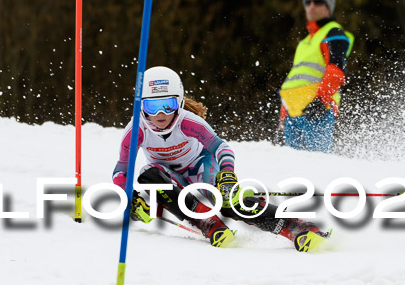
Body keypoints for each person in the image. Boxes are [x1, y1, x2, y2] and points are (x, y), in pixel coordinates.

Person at [112, 66, 331, 252]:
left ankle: (298, 227)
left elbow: (221, 147)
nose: (160, 114)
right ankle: (209, 223)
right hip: (167, 176)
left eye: (167, 105)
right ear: (141, 106)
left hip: (200, 165)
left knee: (228, 201)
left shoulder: (188, 122)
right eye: (152, 106)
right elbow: (121, 170)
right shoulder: (136, 130)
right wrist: (128, 197)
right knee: (148, 175)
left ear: (178, 102)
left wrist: (227, 174)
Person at [278, 0, 354, 153]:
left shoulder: (333, 33)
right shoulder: (305, 41)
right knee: (292, 170)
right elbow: (295, 78)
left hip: (316, 110)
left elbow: (336, 70)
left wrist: (321, 100)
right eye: (308, 2)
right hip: (294, 113)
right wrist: (285, 111)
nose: (311, 6)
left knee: (317, 166)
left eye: (317, 2)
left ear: (328, 7)